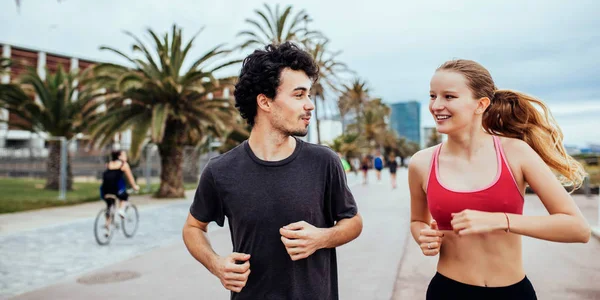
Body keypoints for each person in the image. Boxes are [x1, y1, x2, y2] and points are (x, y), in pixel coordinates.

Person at [182, 42, 363, 299]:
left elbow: (353, 222)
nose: (309, 104)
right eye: (299, 95)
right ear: (265, 102)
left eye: (309, 95)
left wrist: (321, 237)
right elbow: (193, 228)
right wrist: (216, 264)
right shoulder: (220, 171)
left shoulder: (324, 161)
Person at [408, 59, 590, 299]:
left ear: (481, 104)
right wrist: (424, 236)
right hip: (448, 290)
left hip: (513, 292)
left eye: (449, 97)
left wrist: (501, 220)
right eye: (433, 96)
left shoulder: (516, 153)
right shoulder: (421, 163)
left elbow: (578, 229)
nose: (436, 105)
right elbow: (417, 220)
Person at [100, 150, 139, 226]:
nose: (126, 157)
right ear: (119, 156)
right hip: (116, 188)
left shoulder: (109, 164)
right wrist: (135, 186)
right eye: (124, 155)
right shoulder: (123, 165)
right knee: (124, 196)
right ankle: (121, 210)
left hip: (105, 188)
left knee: (109, 205)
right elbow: (130, 178)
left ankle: (107, 225)